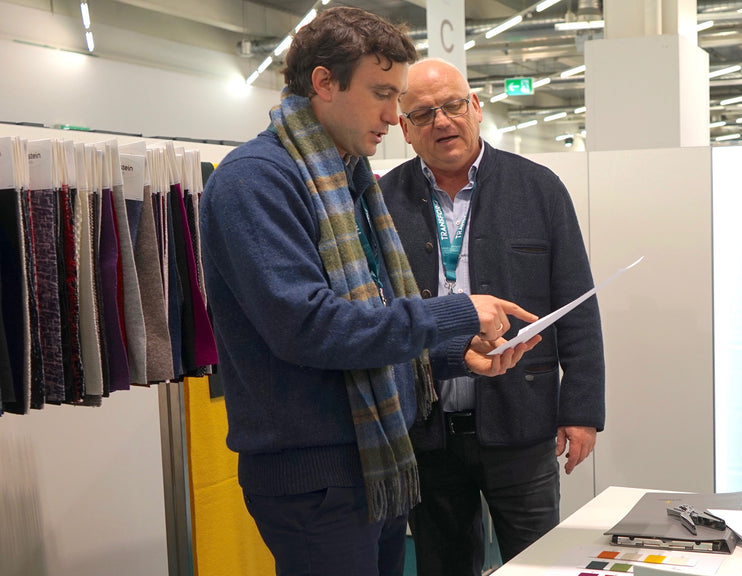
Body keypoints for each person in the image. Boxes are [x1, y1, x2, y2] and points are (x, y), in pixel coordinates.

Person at [198, 9, 539, 576]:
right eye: (382, 93)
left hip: (373, 464)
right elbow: (310, 327)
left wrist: (459, 357)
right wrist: (456, 312)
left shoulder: (349, 182)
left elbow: (369, 320)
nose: (392, 114)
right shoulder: (256, 180)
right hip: (317, 478)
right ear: (324, 83)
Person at [379, 58, 606, 576]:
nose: (442, 121)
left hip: (521, 422)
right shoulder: (382, 200)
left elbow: (578, 305)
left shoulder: (539, 188)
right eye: (423, 114)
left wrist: (583, 408)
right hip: (425, 428)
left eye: (454, 105)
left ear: (476, 108)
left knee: (537, 565)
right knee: (442, 564)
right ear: (406, 131)